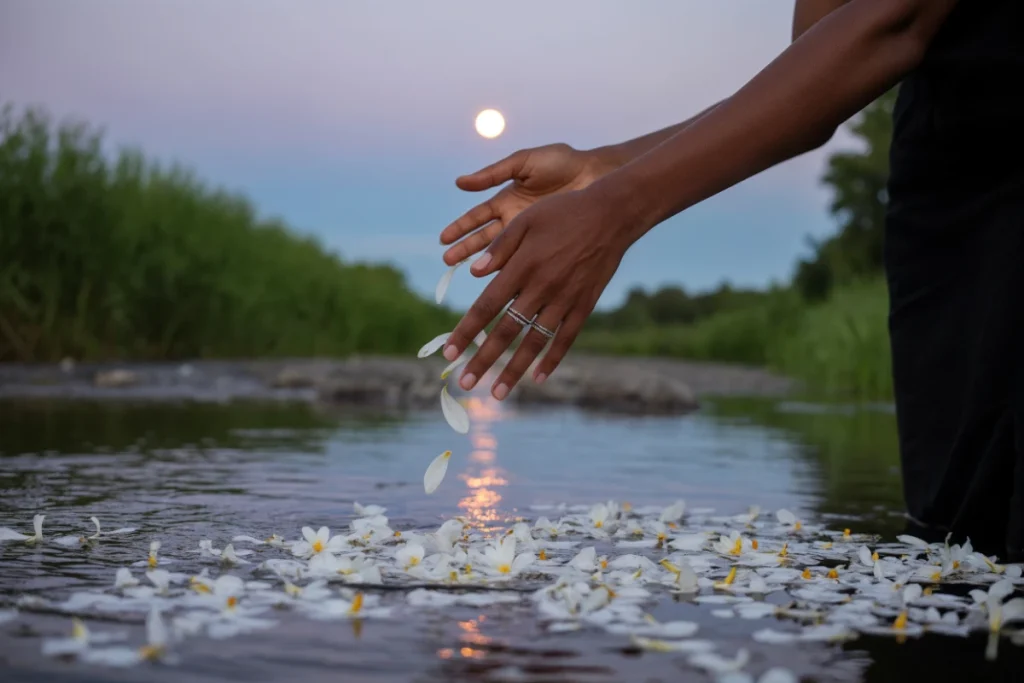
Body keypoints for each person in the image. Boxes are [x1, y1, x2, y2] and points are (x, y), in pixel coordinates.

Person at [437, 0, 1023, 561]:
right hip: (945, 209)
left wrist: (617, 209)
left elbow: (894, 22)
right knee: (960, 535)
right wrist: (608, 169)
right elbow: (814, 79)